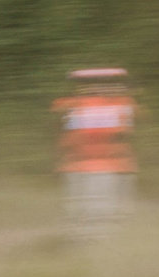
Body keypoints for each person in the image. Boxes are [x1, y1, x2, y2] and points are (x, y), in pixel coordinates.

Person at [54, 67, 137, 220]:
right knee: (113, 208)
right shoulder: (124, 104)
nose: (98, 88)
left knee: (81, 208)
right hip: (105, 164)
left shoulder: (69, 105)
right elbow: (128, 132)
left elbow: (57, 126)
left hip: (90, 164)